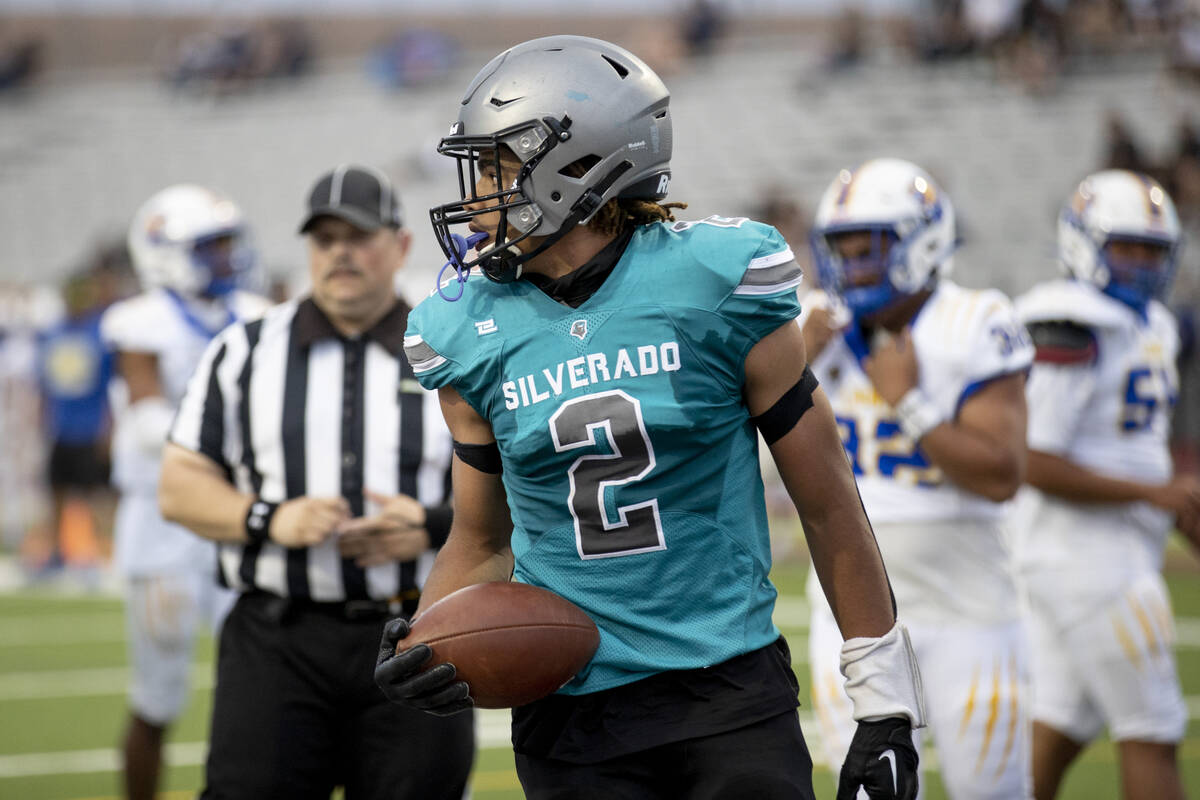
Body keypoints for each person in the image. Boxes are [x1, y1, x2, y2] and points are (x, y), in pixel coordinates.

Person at [376, 36, 925, 800]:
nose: (478, 195)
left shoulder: (717, 281)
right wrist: (428, 634)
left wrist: (885, 705)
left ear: (581, 165)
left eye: (500, 167)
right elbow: (482, 538)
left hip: (726, 691)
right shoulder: (460, 330)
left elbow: (829, 503)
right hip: (570, 717)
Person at [157, 165, 474, 799]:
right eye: (325, 238)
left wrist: (431, 526)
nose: (340, 253)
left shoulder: (458, 346)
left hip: (420, 635)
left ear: (402, 246)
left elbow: (518, 487)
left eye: (358, 236)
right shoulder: (241, 352)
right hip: (278, 641)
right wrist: (269, 519)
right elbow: (179, 485)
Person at [800, 158, 1034, 799]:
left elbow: (1001, 475)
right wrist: (794, 365)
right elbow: (737, 448)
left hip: (969, 611)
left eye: (869, 247)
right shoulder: (809, 327)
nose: (853, 265)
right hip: (853, 618)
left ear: (923, 241)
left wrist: (911, 404)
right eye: (842, 248)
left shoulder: (975, 320)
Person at [1011, 170, 1200, 800]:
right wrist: (1155, 495)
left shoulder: (1157, 326)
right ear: (1085, 244)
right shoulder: (1069, 319)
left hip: (1107, 555)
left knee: (1061, 724)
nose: (1143, 266)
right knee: (1154, 731)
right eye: (1127, 248)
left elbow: (1130, 447)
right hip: (1089, 562)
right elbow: (1032, 460)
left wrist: (1169, 501)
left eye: (1154, 251)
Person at [100, 184, 272, 800]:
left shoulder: (255, 313)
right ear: (163, 252)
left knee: (260, 684)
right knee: (157, 696)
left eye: (227, 244)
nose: (225, 258)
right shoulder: (139, 322)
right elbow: (149, 426)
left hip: (233, 519)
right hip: (164, 522)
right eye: (210, 246)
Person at [36, 272, 115, 575]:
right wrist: (43, 421)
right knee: (56, 491)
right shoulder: (53, 333)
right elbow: (44, 384)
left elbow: (111, 386)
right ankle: (56, 552)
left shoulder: (100, 333)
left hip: (91, 426)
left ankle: (104, 553)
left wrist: (108, 428)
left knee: (98, 495)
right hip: (61, 426)